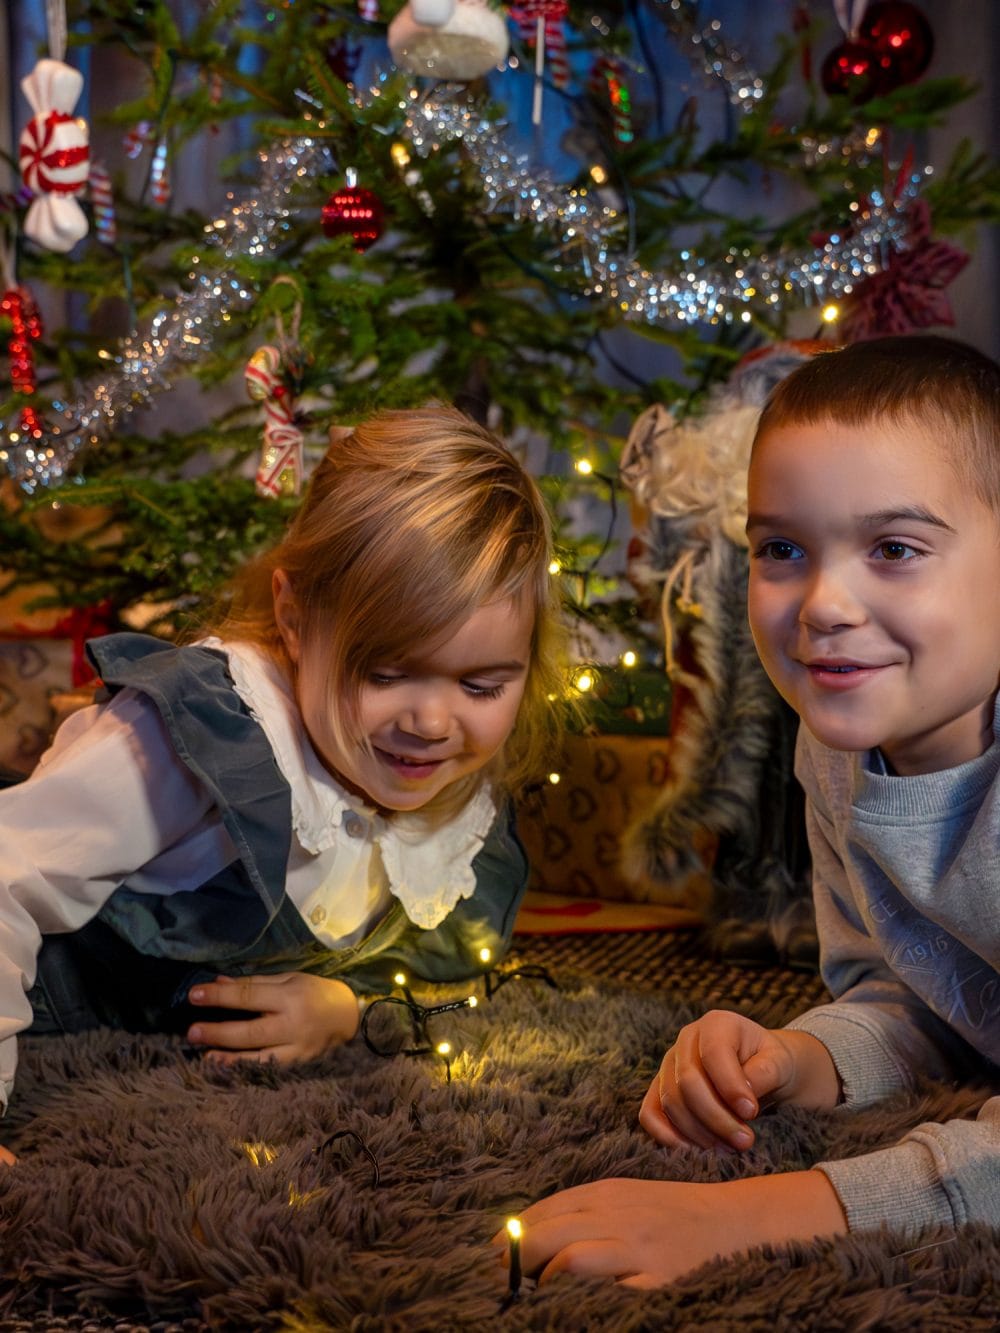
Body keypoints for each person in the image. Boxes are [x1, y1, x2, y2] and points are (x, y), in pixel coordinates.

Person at [506, 334, 1000, 1287]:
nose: (822, 603)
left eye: (895, 548)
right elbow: (923, 995)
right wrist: (799, 1054)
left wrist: (758, 1213)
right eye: (782, 548)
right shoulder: (837, 751)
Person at [0, 404, 564, 1165]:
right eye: (386, 673)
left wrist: (348, 1004)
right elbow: (8, 869)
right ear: (294, 618)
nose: (432, 721)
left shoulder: (446, 788)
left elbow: (449, 963)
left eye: (482, 685)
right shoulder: (196, 738)